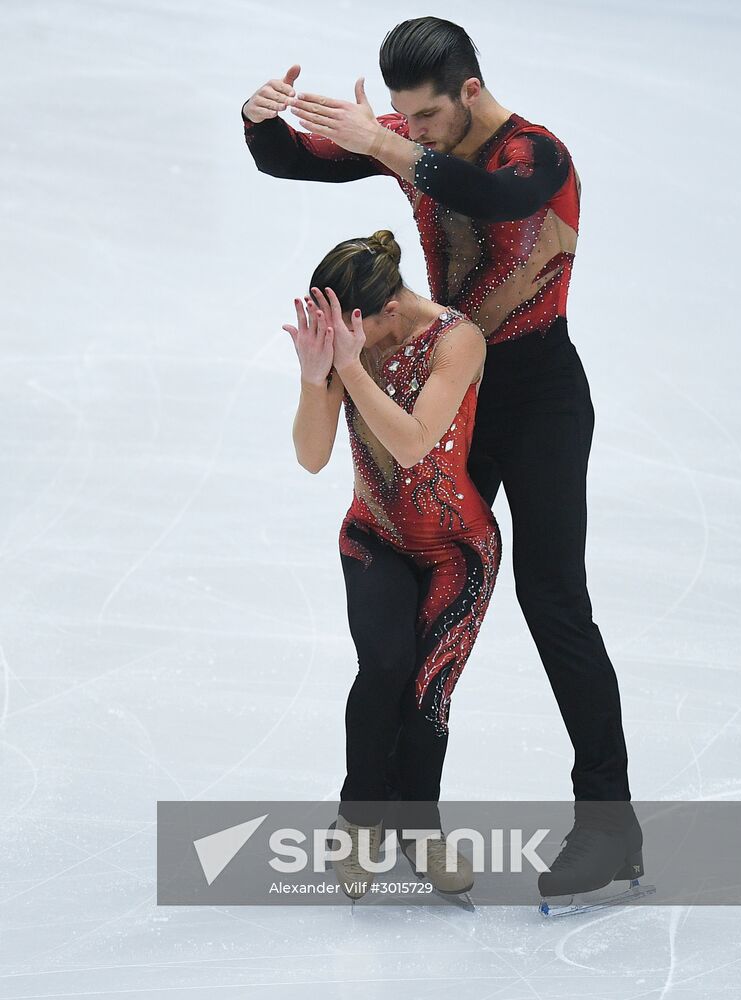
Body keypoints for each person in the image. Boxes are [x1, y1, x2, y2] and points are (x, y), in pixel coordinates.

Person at [243, 16, 643, 899]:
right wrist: (263, 118)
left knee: (552, 600)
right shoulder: (421, 136)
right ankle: (384, 817)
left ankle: (610, 823)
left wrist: (387, 150)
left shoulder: (535, 154)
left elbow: (494, 201)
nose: (408, 131)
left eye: (422, 116)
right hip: (444, 391)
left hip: (534, 402)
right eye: (398, 118)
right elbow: (286, 160)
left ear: (468, 92)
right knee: (410, 606)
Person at [282, 229, 501, 900]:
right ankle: (359, 820)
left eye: (361, 334)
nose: (365, 347)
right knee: (382, 667)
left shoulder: (456, 340)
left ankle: (420, 826)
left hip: (456, 553)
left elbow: (410, 444)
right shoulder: (351, 346)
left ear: (382, 310)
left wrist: (348, 369)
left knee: (427, 690)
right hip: (373, 536)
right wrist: (312, 376)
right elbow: (312, 456)